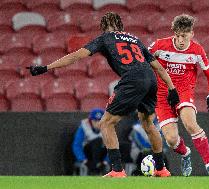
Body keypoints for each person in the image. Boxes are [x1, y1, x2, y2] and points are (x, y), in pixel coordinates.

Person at [27, 12, 180, 178]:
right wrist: (172, 89)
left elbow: (76, 56)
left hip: (132, 79)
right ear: (120, 25)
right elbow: (158, 67)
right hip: (150, 79)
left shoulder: (105, 38)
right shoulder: (135, 39)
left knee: (106, 123)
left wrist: (46, 67)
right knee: (149, 124)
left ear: (104, 27)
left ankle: (117, 170)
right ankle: (161, 169)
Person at [148, 14, 209, 177]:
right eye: (178, 36)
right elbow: (143, 60)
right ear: (174, 33)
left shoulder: (197, 50)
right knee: (172, 140)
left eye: (184, 36)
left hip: (183, 92)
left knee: (190, 123)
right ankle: (186, 153)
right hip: (162, 96)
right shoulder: (159, 45)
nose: (181, 40)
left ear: (191, 34)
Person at [72, 108, 109, 176]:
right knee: (97, 141)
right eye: (95, 121)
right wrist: (84, 160)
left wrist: (105, 161)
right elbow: (77, 145)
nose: (98, 123)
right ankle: (95, 166)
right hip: (87, 153)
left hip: (100, 154)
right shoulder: (84, 127)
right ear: (90, 120)